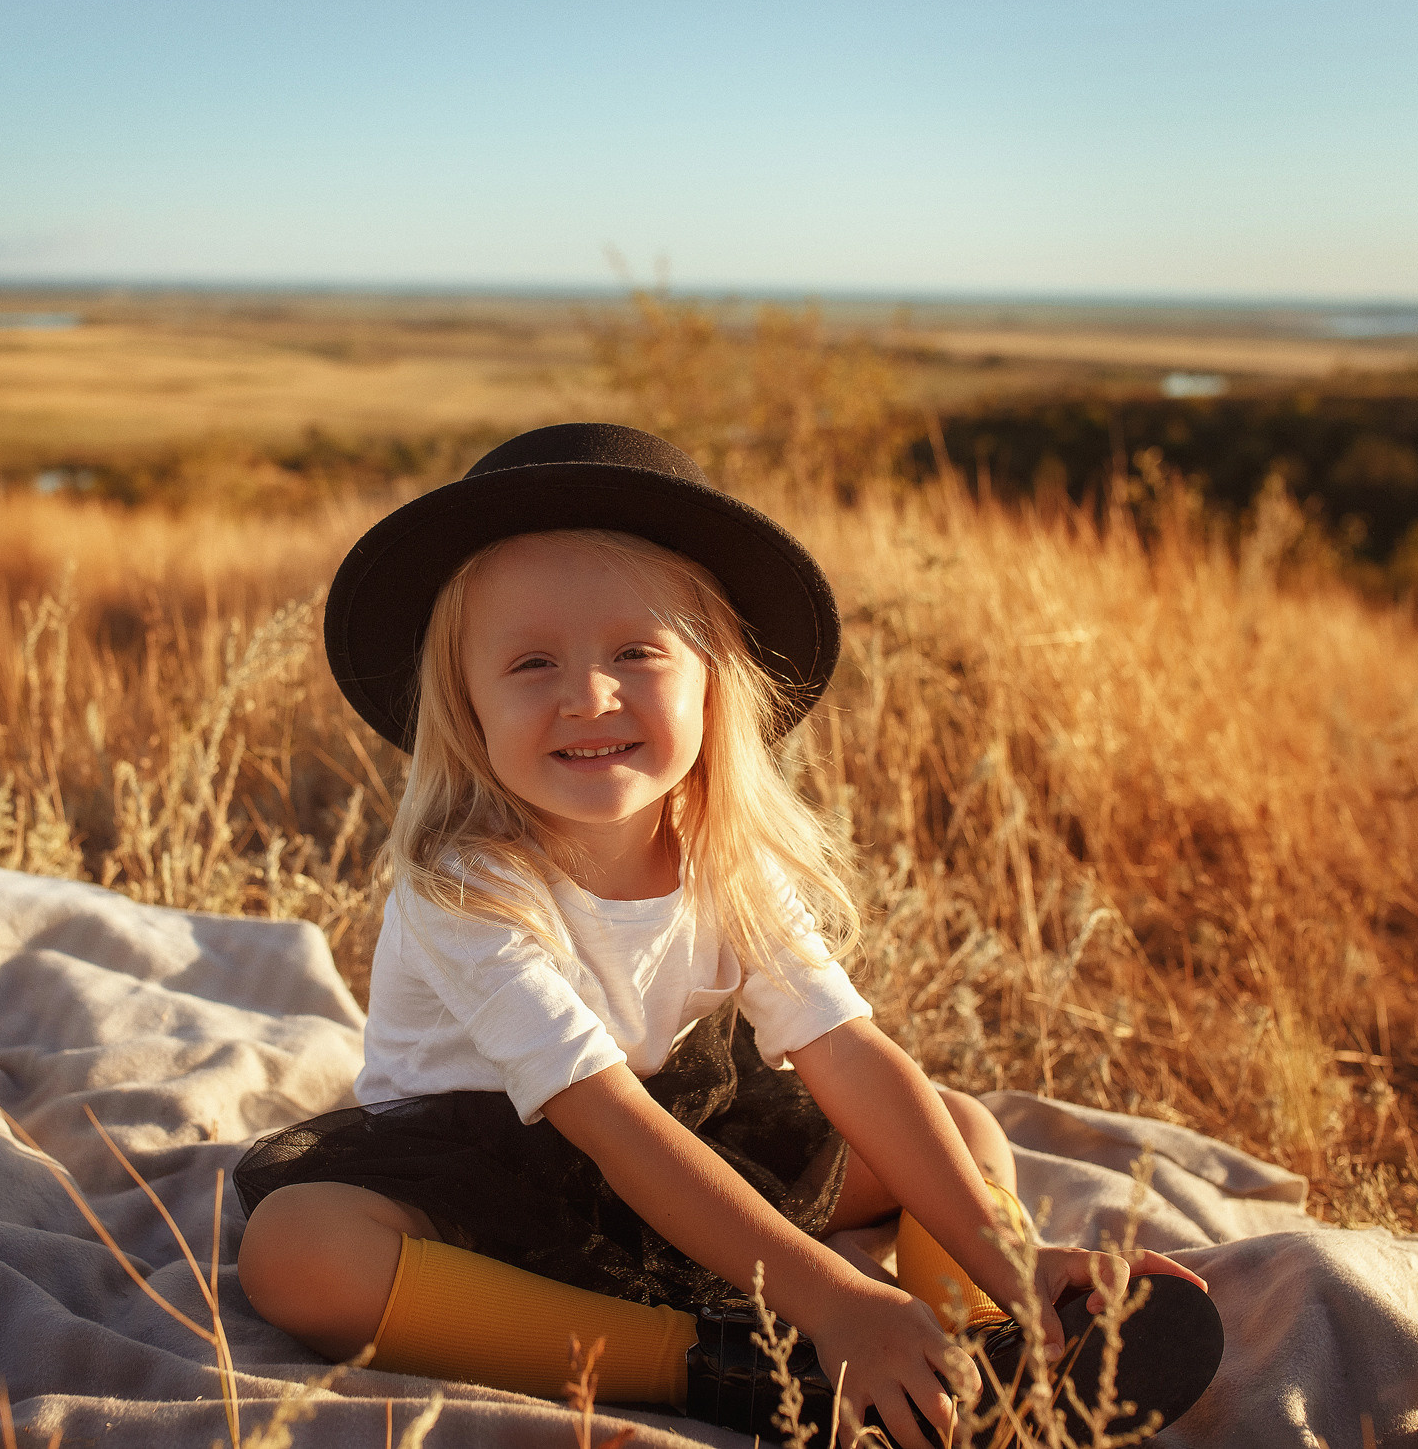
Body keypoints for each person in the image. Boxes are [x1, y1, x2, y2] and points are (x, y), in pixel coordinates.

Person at [235, 424, 1223, 1446]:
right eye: (531, 662)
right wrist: (833, 1301)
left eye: (635, 652)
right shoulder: (468, 888)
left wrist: (1004, 1257)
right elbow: (609, 1123)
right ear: (466, 708)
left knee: (958, 1132)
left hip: (688, 1146)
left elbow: (844, 1051)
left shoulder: (725, 860)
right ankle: (712, 1369)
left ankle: (995, 1344)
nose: (588, 694)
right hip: (492, 1188)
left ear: (716, 680)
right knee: (297, 1252)